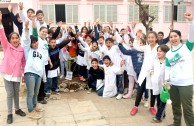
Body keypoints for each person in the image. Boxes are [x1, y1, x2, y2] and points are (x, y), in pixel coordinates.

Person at [165, 12, 194, 126]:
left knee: (187, 109)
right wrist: (166, 81)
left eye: (175, 36)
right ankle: (176, 123)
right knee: (175, 106)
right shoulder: (168, 54)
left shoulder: (187, 47)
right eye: (171, 37)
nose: (173, 38)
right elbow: (167, 68)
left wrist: (191, 21)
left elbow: (192, 35)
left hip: (186, 84)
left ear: (180, 37)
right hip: (173, 84)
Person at [0, 11, 26, 124]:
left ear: (19, 39)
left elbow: (23, 63)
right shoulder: (7, 47)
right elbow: (3, 37)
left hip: (16, 74)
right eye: (13, 38)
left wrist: (23, 73)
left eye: (17, 38)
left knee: (16, 92)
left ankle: (17, 109)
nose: (15, 40)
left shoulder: (22, 49)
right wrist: (0, 23)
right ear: (10, 40)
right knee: (10, 94)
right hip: (7, 73)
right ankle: (9, 113)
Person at [130, 31, 159, 116]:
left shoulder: (158, 48)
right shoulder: (146, 47)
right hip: (144, 72)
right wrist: (137, 37)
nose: (150, 39)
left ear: (156, 38)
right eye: (149, 37)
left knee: (153, 90)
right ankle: (135, 106)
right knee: (140, 89)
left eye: (152, 37)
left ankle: (152, 107)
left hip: (153, 72)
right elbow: (136, 46)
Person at [23, 20, 45, 119]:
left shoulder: (39, 51)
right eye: (34, 42)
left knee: (36, 93)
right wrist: (27, 29)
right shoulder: (28, 49)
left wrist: (42, 75)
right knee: (30, 93)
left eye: (36, 42)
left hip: (38, 75)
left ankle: (35, 106)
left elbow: (42, 64)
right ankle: (30, 111)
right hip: (30, 74)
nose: (35, 43)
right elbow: (27, 39)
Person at [149, 45, 170, 123]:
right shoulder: (155, 61)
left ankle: (158, 117)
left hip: (164, 86)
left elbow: (169, 72)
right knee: (158, 101)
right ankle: (162, 114)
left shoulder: (167, 61)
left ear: (165, 52)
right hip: (156, 84)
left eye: (160, 51)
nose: (158, 52)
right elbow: (150, 69)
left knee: (162, 101)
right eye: (158, 51)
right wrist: (152, 73)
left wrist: (167, 82)